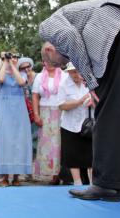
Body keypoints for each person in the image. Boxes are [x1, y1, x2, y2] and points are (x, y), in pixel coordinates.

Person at [39, 0, 120, 201]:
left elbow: (70, 37)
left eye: (60, 63)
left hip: (112, 26)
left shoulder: (47, 28)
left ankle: (106, 183)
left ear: (49, 49)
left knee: (107, 109)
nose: (65, 66)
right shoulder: (68, 18)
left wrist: (90, 81)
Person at [0, 53, 32, 186]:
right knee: (5, 141)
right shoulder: (0, 73)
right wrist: (5, 63)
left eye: (15, 57)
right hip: (5, 110)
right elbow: (1, 79)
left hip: (20, 111)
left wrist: (13, 67)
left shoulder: (23, 74)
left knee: (19, 141)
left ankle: (16, 176)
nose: (12, 59)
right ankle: (4, 175)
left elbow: (21, 82)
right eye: (10, 57)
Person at [32, 52, 67, 185]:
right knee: (47, 144)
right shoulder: (39, 77)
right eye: (46, 60)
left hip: (61, 111)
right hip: (45, 111)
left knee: (60, 142)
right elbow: (35, 96)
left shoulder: (64, 76)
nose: (48, 62)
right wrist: (36, 114)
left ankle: (62, 172)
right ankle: (52, 173)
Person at [58, 62, 92, 186]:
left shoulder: (89, 83)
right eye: (73, 72)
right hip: (69, 125)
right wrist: (79, 102)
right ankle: (77, 182)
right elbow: (61, 105)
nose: (76, 74)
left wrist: (92, 102)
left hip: (88, 126)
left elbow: (98, 100)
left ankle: (93, 183)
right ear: (68, 72)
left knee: (90, 155)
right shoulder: (64, 85)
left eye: (78, 71)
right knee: (72, 156)